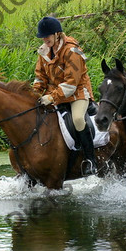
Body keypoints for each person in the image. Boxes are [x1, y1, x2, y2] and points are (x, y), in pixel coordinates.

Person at [33, 16, 97, 175]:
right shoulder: (44, 52)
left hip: (77, 93)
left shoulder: (71, 51)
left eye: (47, 36)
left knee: (77, 119)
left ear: (56, 34)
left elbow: (71, 84)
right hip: (55, 94)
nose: (44, 39)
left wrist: (51, 98)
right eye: (42, 36)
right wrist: (34, 94)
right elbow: (40, 77)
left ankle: (91, 160)